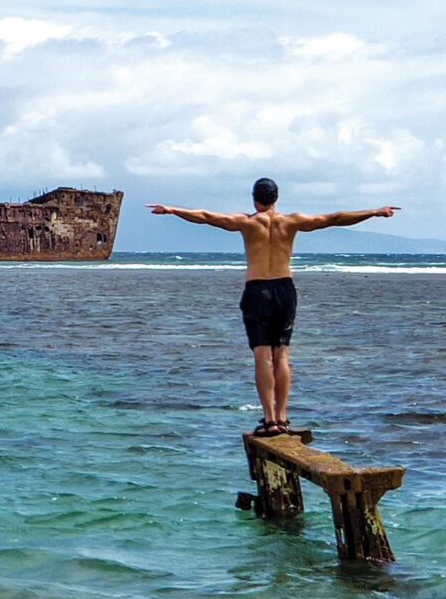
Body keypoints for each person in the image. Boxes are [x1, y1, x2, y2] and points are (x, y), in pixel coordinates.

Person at [147, 179, 399, 436]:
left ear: (254, 199)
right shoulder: (292, 222)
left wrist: (172, 210)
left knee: (262, 356)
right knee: (282, 355)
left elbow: (205, 217)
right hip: (284, 290)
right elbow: (334, 218)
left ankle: (269, 420)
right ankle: (282, 417)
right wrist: (375, 212)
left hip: (258, 290)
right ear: (276, 198)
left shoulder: (246, 223)